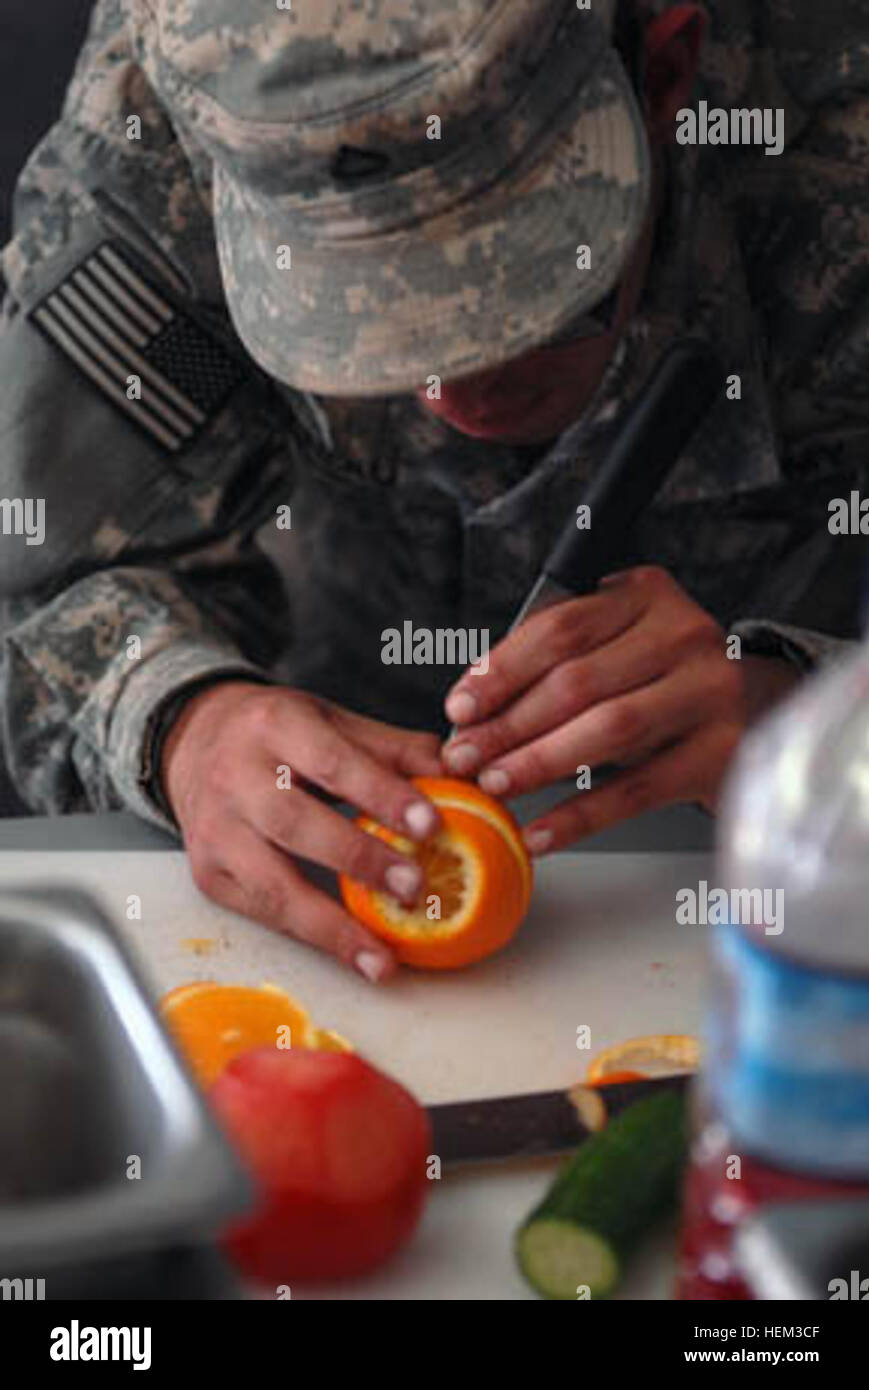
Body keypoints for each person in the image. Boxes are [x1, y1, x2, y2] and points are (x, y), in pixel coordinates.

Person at [1, 0, 867, 981]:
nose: (448, 395)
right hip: (327, 745)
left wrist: (797, 711)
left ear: (665, 71)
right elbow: (39, 570)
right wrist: (177, 717)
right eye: (353, 319)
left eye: (522, 305)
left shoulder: (837, 125)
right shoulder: (167, 123)